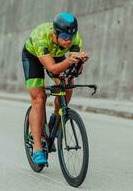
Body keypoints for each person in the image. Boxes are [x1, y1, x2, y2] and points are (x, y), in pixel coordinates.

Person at [21, 12, 88, 165]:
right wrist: (69, 61)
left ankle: (57, 118)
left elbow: (74, 71)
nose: (68, 40)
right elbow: (52, 68)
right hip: (33, 58)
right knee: (39, 99)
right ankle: (38, 147)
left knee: (67, 85)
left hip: (56, 55)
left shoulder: (74, 39)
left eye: (71, 36)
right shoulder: (41, 37)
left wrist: (79, 64)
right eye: (64, 36)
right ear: (55, 33)